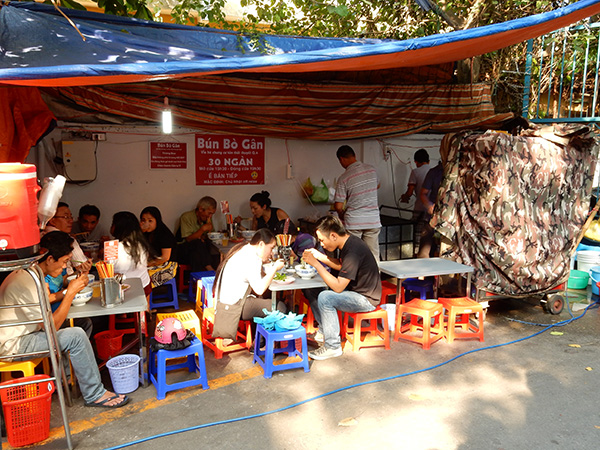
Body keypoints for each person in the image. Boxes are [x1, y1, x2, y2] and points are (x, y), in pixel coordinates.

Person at [0, 231, 129, 408]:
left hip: (26, 333)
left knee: (83, 324)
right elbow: (52, 326)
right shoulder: (27, 283)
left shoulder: (32, 272)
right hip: (13, 344)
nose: (64, 267)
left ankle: (67, 377)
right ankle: (95, 394)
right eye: (64, 262)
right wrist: (71, 292)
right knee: (75, 335)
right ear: (50, 259)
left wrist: (69, 289)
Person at [302, 216, 381, 360]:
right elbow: (341, 266)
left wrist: (316, 264)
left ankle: (332, 346)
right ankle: (324, 330)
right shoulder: (347, 243)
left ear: (333, 235)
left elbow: (338, 288)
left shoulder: (353, 251)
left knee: (326, 297)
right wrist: (320, 257)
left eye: (321, 240)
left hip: (366, 299)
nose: (322, 244)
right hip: (353, 291)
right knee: (312, 289)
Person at [213, 228, 286, 327]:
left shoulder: (244, 249)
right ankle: (261, 341)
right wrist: (274, 268)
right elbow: (259, 289)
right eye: (271, 248)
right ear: (261, 244)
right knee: (280, 307)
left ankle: (259, 338)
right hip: (234, 306)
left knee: (265, 298)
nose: (272, 253)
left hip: (225, 301)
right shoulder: (252, 259)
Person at [334, 145, 381, 261]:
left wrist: (341, 214)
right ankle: (375, 277)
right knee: (373, 254)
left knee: (353, 254)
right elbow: (378, 185)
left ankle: (353, 278)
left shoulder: (344, 177)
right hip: (373, 220)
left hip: (354, 221)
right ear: (354, 155)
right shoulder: (372, 170)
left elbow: (338, 206)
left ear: (341, 159)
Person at [42, 202, 92, 275]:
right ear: (52, 220)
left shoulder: (39, 236)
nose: (71, 221)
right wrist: (86, 266)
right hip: (66, 283)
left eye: (70, 217)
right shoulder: (67, 240)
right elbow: (81, 267)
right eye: (66, 217)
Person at [418, 145, 450, 258]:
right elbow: (423, 193)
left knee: (446, 252)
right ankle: (422, 275)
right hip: (433, 217)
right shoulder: (434, 172)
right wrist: (429, 205)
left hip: (450, 219)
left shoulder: (458, 171)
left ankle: (441, 275)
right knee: (425, 250)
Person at [110, 211, 152, 297]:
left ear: (117, 227)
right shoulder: (142, 243)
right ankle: (145, 309)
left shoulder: (112, 246)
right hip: (144, 286)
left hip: (123, 289)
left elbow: (107, 272)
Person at [400, 148, 430, 255]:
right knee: (429, 235)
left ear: (416, 162)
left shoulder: (415, 172)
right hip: (432, 209)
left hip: (420, 209)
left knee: (417, 235)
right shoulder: (433, 171)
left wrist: (405, 197)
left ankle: (416, 254)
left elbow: (410, 191)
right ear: (428, 161)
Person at [176, 197, 219, 272]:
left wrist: (206, 235)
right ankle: (210, 269)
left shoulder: (207, 218)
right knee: (197, 243)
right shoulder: (186, 217)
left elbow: (209, 235)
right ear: (201, 209)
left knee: (196, 255)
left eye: (212, 214)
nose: (210, 216)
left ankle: (198, 280)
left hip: (198, 251)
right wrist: (202, 229)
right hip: (183, 248)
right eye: (209, 213)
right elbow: (188, 239)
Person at [140, 206, 178, 288]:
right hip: (152, 262)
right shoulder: (145, 234)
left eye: (150, 221)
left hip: (167, 265)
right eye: (143, 220)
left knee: (144, 277)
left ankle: (145, 299)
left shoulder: (164, 234)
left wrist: (147, 264)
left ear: (157, 221)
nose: (147, 224)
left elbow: (165, 258)